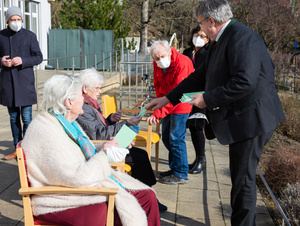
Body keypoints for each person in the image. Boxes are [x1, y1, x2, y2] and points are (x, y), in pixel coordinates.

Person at [146, 0, 285, 225]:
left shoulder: (242, 37)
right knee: (241, 177)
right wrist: (167, 98)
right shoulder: (220, 41)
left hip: (253, 119)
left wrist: (207, 99)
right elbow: (199, 76)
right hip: (245, 118)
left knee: (243, 180)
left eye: (201, 23)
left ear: (211, 21)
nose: (199, 29)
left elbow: (244, 81)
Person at [21, 75, 161, 226]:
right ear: (69, 102)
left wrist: (109, 145)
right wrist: (103, 154)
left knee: (147, 196)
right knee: (122, 207)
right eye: (81, 96)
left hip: (75, 189)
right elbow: (76, 176)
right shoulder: (48, 130)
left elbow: (79, 149)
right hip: (59, 199)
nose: (84, 100)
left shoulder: (63, 121)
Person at [76, 68, 167, 211]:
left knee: (141, 155)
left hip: (105, 144)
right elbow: (98, 135)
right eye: (97, 88)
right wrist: (126, 123)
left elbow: (97, 128)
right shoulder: (82, 107)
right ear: (85, 88)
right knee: (140, 159)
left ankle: (147, 195)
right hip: (99, 151)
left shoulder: (89, 104)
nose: (100, 92)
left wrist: (109, 119)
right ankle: (145, 199)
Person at [147, 40, 194, 184]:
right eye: (156, 58)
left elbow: (179, 93)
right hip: (166, 102)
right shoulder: (157, 64)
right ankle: (175, 167)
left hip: (181, 102)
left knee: (175, 138)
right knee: (167, 137)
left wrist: (159, 111)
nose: (160, 60)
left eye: (162, 56)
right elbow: (158, 86)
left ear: (169, 51)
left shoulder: (182, 63)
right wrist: (158, 106)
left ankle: (181, 173)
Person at [0, 6, 43, 160]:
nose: (16, 22)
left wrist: (23, 60)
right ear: (7, 21)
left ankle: (29, 149)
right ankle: (17, 148)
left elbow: (38, 57)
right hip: (8, 84)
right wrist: (1, 61)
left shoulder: (29, 36)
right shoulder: (1, 36)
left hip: (24, 83)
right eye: (13, 19)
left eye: (19, 19)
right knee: (13, 119)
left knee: (26, 118)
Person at [183, 26, 210, 174]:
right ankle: (196, 158)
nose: (198, 38)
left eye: (202, 36)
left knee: (198, 126)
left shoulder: (208, 53)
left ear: (207, 40)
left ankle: (201, 159)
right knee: (191, 127)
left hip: (201, 93)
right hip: (187, 93)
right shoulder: (187, 52)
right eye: (196, 34)